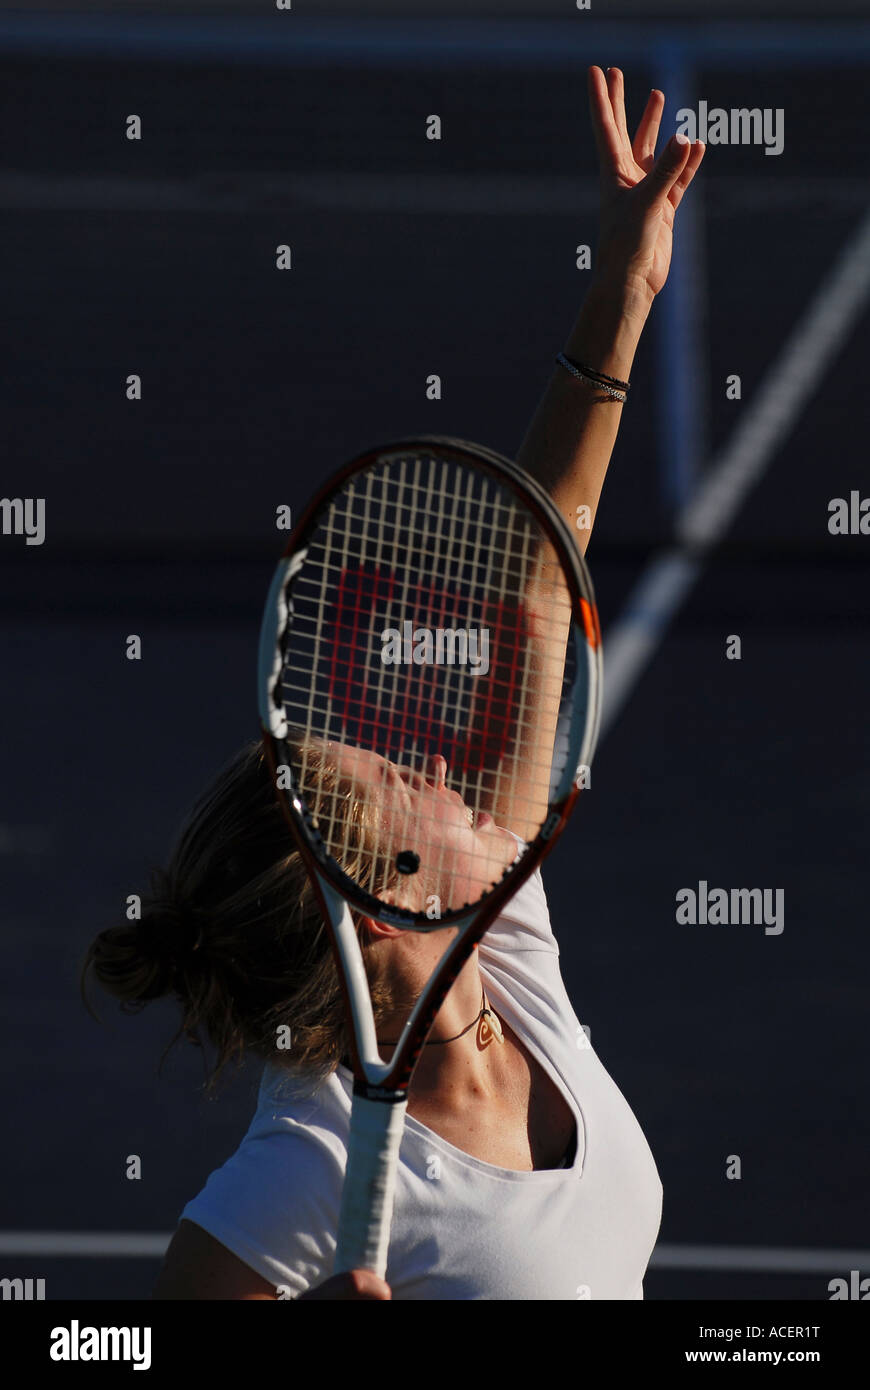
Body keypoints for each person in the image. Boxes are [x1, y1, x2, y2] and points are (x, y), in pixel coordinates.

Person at [81, 67, 704, 1300]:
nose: (436, 765)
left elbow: (534, 579)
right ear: (382, 906)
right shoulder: (306, 1167)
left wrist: (620, 293)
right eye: (408, 778)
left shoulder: (497, 940)